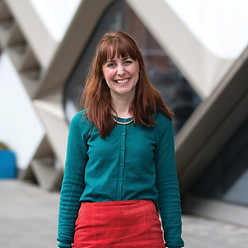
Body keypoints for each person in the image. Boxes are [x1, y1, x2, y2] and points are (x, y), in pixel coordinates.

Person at [57, 30, 184, 248]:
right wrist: (64, 242)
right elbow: (71, 185)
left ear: (139, 67)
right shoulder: (82, 123)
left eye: (127, 61)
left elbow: (168, 186)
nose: (121, 71)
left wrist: (174, 242)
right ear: (102, 72)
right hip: (92, 232)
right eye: (111, 64)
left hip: (144, 231)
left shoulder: (159, 122)